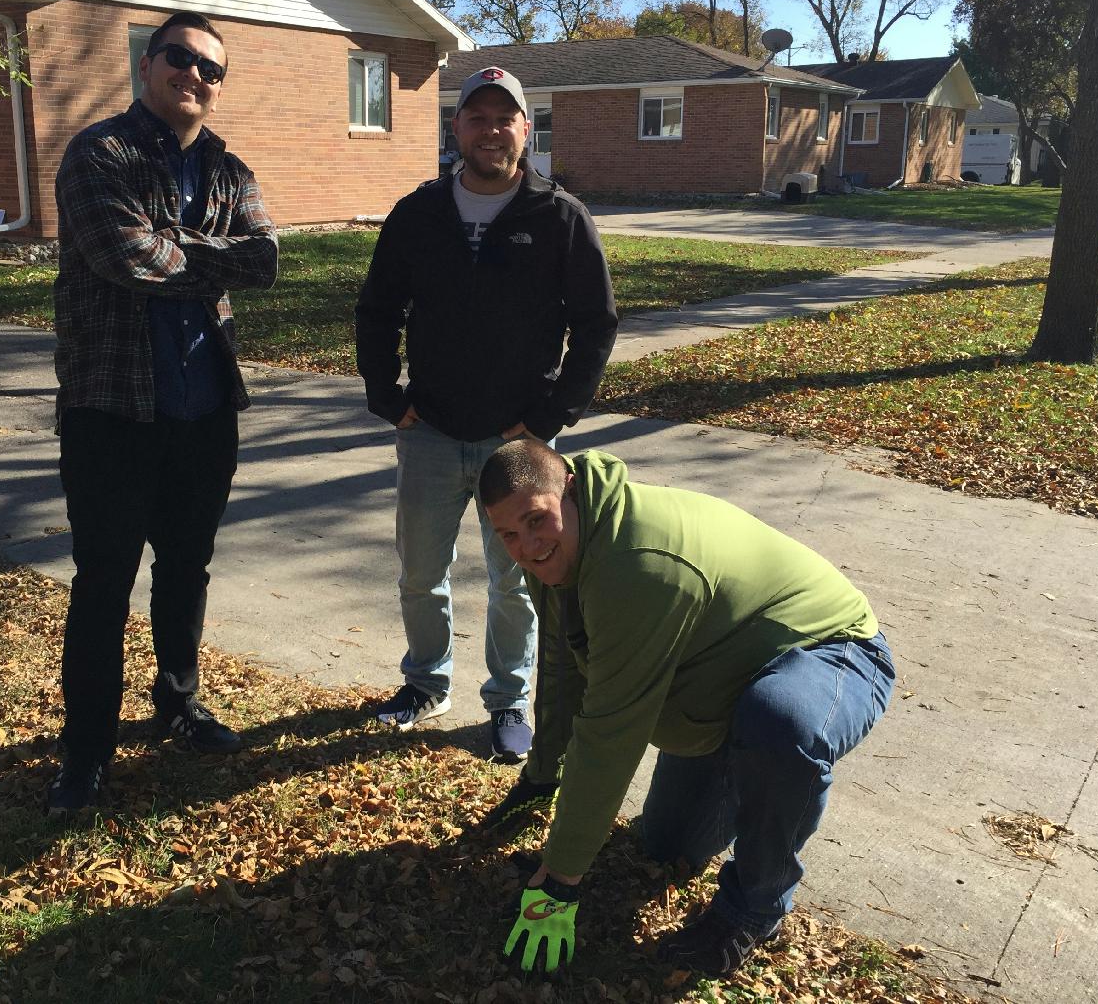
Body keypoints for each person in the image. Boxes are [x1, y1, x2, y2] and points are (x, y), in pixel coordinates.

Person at [478, 439, 895, 976]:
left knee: (781, 725)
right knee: (668, 847)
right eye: (507, 534)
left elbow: (611, 728)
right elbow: (561, 668)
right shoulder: (559, 554)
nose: (527, 546)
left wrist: (559, 881)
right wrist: (540, 776)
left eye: (537, 520)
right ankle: (736, 756)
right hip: (727, 682)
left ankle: (755, 909)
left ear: (571, 490)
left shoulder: (639, 565)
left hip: (833, 652)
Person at [46, 10, 278, 814]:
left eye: (212, 69)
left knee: (186, 570)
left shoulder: (227, 167)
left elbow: (264, 260)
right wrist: (202, 255)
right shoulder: (97, 153)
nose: (196, 76)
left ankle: (177, 702)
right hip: (111, 412)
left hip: (205, 411)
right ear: (150, 65)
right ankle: (86, 753)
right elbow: (124, 256)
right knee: (103, 583)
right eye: (181, 58)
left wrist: (175, 246)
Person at [354, 67, 617, 764]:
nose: (492, 130)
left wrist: (550, 413)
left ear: (526, 130)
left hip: (519, 440)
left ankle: (507, 702)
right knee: (420, 570)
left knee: (518, 578)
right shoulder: (418, 213)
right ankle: (425, 683)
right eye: (478, 117)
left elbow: (596, 324)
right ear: (456, 128)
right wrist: (390, 395)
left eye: (507, 118)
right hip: (432, 429)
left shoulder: (559, 217)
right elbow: (377, 309)